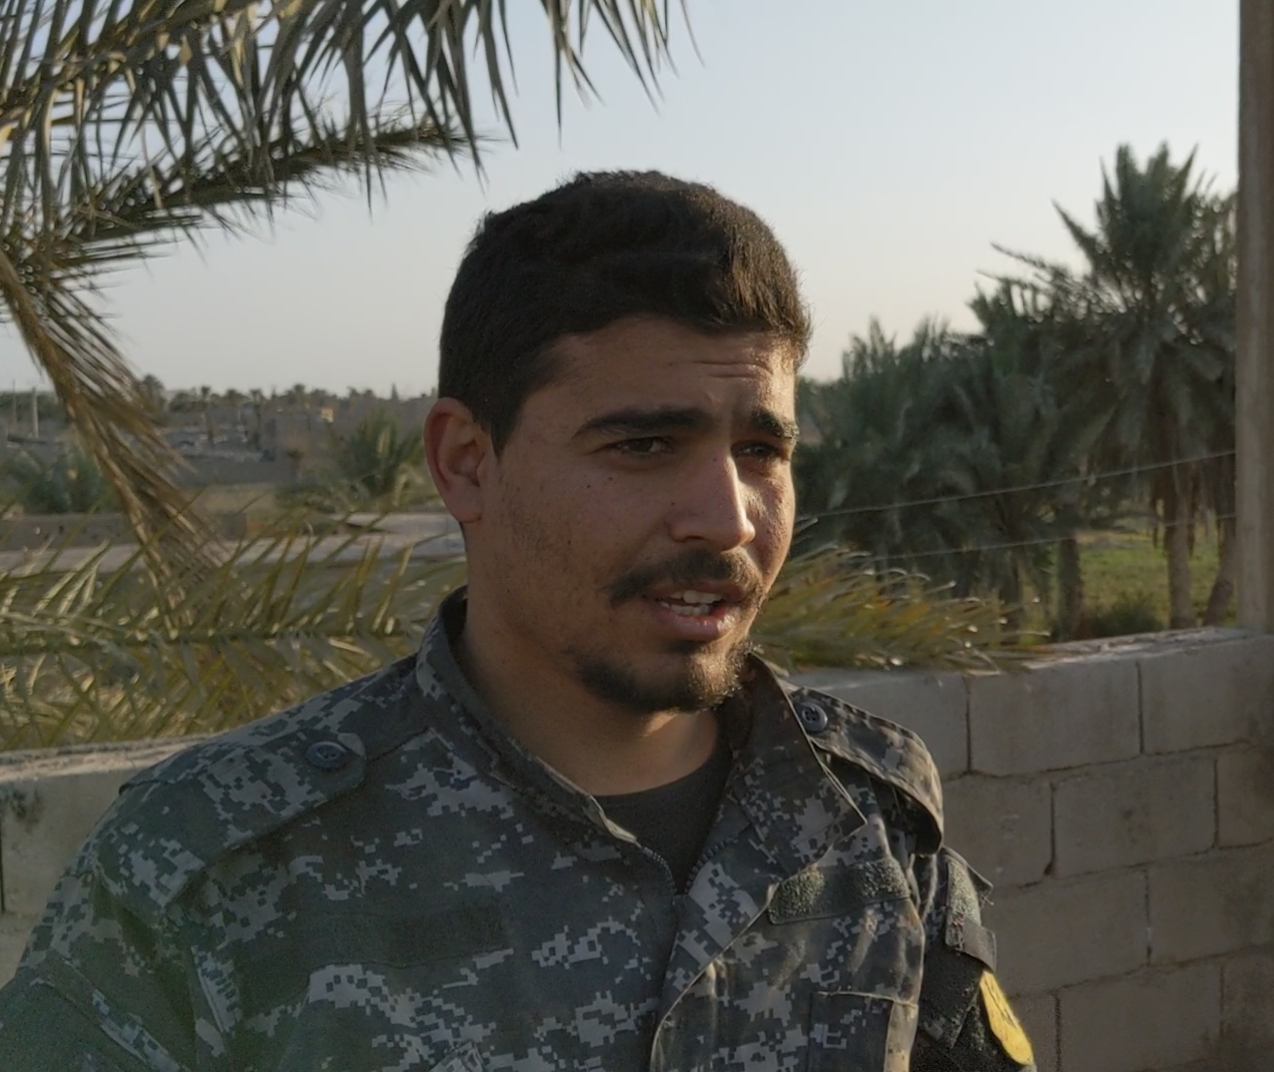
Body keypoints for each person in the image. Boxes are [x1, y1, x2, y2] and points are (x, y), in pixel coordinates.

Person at [0, 171, 1036, 1071]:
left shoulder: (870, 818)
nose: (727, 517)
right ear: (465, 462)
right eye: (641, 446)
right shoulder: (207, 865)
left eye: (761, 451)